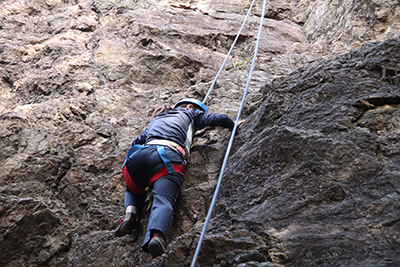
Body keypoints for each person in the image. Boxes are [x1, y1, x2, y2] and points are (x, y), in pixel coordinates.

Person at [115, 98, 243, 258]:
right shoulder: (191, 112)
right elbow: (220, 119)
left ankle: (131, 215)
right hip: (167, 157)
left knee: (133, 187)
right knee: (163, 200)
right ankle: (157, 237)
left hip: (139, 156)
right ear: (190, 106)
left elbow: (136, 142)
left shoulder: (157, 119)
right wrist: (233, 125)